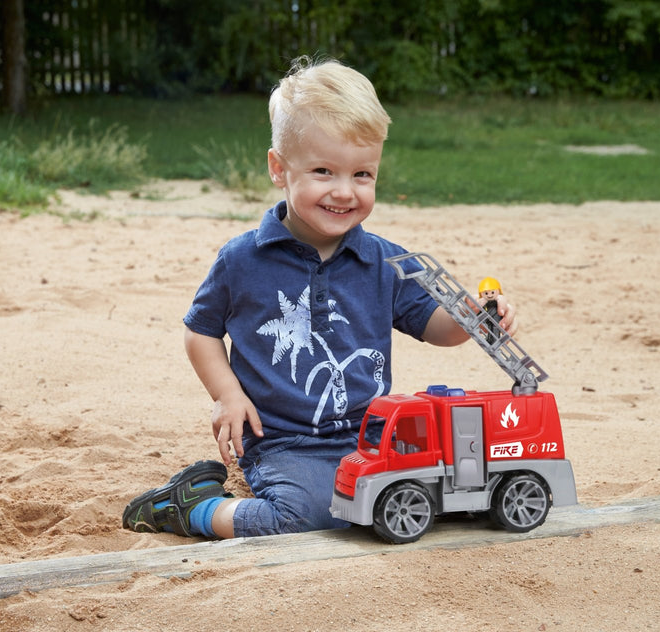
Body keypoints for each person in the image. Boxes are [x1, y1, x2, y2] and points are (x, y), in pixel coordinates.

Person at [123, 56, 517, 539]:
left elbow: (437, 327)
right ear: (279, 169)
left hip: (374, 435)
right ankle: (194, 509)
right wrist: (227, 395)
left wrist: (474, 318)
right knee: (307, 518)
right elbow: (200, 332)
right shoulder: (243, 260)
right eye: (324, 171)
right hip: (283, 441)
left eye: (362, 174)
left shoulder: (384, 261)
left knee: (433, 493)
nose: (344, 192)